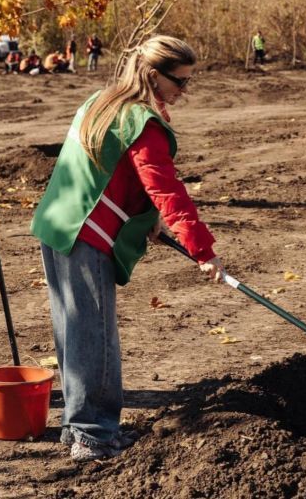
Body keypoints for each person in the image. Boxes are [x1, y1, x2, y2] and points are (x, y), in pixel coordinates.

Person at [30, 35, 223, 462]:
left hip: (58, 223)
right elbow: (167, 188)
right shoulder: (141, 120)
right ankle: (92, 435)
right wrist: (202, 250)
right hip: (86, 233)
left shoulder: (104, 101)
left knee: (74, 331)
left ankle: (78, 425)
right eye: (180, 81)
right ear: (153, 75)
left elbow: (112, 168)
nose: (184, 90)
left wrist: (145, 217)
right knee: (94, 336)